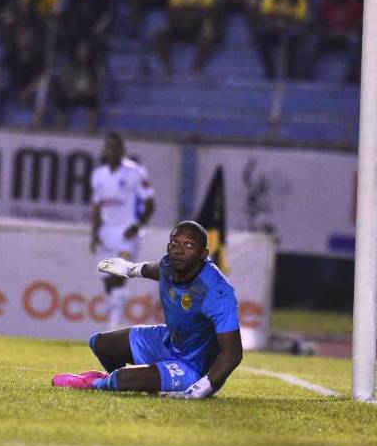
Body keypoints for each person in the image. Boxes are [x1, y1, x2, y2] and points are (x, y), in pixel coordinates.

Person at [52, 220, 242, 399]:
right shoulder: (168, 265)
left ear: (203, 254)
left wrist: (203, 387)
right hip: (168, 341)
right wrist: (128, 268)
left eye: (189, 245)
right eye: (175, 243)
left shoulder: (218, 292)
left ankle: (104, 382)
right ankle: (116, 379)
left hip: (193, 367)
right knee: (100, 343)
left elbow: (233, 353)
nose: (179, 250)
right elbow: (150, 269)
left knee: (123, 378)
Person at [90, 133, 154, 330]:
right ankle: (115, 314)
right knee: (108, 280)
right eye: (108, 147)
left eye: (116, 147)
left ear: (123, 150)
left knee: (120, 274)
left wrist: (137, 226)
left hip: (127, 232)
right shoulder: (98, 175)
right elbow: (97, 206)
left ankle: (114, 324)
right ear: (104, 150)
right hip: (106, 233)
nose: (112, 151)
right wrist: (94, 233)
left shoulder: (136, 173)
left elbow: (150, 204)